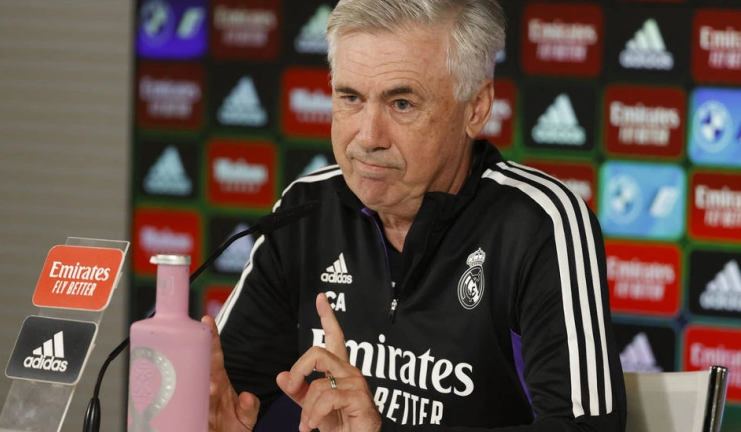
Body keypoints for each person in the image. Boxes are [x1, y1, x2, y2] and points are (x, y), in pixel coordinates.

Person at [203, 0, 627, 430]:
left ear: (476, 108)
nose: (368, 137)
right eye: (350, 98)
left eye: (402, 103)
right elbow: (227, 397)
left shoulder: (538, 224)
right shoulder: (305, 211)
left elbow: (587, 428)